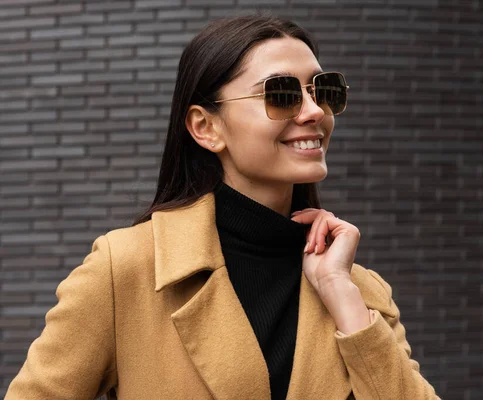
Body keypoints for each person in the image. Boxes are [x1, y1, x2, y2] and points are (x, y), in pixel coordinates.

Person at [6, 14, 439, 400]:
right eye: (281, 93)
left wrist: (342, 296)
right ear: (205, 127)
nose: (314, 111)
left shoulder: (358, 291)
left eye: (322, 90)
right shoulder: (128, 269)